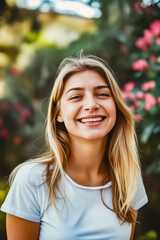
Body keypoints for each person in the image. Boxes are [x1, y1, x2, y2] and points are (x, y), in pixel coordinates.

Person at [1, 52, 148, 240]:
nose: (91, 104)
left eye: (102, 94)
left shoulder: (128, 175)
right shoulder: (32, 180)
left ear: (116, 107)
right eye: (76, 97)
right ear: (58, 114)